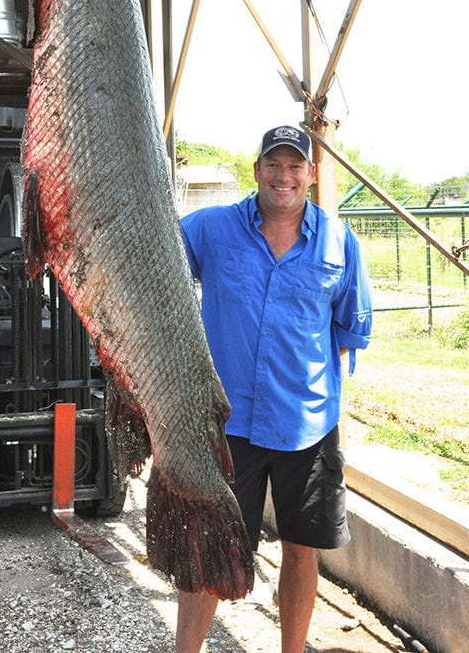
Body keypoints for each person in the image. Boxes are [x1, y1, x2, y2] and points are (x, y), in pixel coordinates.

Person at [176, 125, 372, 653]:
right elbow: (153, 254)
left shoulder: (338, 240)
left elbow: (348, 333)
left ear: (309, 174)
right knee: (207, 550)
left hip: (306, 427)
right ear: (257, 168)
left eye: (294, 166)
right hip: (228, 424)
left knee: (302, 552)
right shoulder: (211, 229)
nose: (283, 175)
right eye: (273, 164)